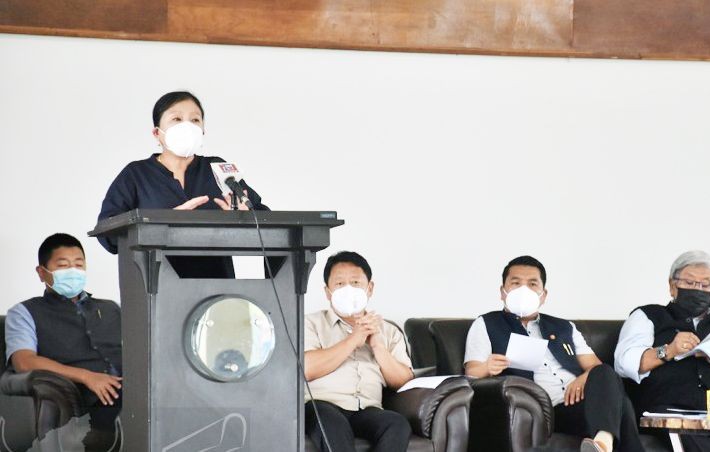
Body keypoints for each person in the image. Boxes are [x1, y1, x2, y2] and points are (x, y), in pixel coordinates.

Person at [465, 256, 644, 452]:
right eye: (516, 283)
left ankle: (602, 442)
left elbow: (596, 366)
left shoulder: (564, 326)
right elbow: (471, 371)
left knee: (605, 372)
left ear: (543, 294)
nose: (524, 290)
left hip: (580, 404)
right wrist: (487, 367)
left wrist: (584, 378)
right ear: (503, 291)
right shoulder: (486, 324)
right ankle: (604, 441)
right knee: (621, 405)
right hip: (544, 410)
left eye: (532, 284)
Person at [96, 91, 267, 278]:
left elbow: (266, 221)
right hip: (156, 286)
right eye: (177, 119)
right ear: (157, 133)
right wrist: (165, 221)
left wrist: (244, 217)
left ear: (203, 131)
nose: (187, 126)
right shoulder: (136, 174)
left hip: (217, 286)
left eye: (195, 120)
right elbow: (108, 235)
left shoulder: (217, 168)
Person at [614, 250, 710, 452]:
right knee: (683, 429)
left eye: (705, 285)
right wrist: (669, 350)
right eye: (689, 283)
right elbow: (624, 363)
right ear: (672, 286)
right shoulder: (647, 316)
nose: (698, 290)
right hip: (669, 408)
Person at [4, 233, 122, 449]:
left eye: (78, 265)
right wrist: (87, 376)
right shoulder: (24, 312)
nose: (73, 271)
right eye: (63, 265)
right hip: (82, 401)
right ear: (42, 272)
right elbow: (24, 361)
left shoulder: (111, 308)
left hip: (132, 391)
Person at [302, 251, 413, 452]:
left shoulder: (388, 331)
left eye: (355, 283)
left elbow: (403, 382)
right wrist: (355, 338)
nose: (348, 290)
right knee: (331, 422)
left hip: (367, 409)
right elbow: (308, 368)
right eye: (339, 284)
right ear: (328, 292)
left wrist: (378, 346)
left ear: (369, 288)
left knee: (396, 424)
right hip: (322, 405)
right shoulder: (310, 323)